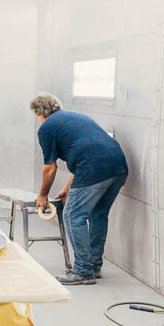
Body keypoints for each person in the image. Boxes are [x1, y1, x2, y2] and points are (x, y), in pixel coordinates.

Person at [30, 93, 128, 285]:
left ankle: (83, 270)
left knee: (72, 215)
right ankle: (94, 265)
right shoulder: (77, 118)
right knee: (98, 214)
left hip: (93, 168)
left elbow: (50, 167)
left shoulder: (47, 127)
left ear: (40, 112)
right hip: (118, 166)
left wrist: (42, 195)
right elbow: (86, 151)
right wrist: (67, 189)